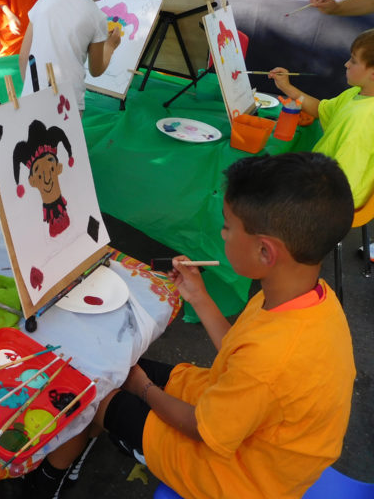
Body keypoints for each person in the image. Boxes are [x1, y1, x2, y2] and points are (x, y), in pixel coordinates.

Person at [25, 151, 356, 499]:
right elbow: (240, 349)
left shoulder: (271, 360)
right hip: (239, 416)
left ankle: (48, 480)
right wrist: (199, 296)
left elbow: (202, 428)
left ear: (265, 252)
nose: (222, 234)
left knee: (90, 390)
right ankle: (74, 452)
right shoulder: (306, 295)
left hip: (234, 476)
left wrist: (144, 389)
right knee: (108, 365)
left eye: (227, 227)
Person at [268, 28, 374, 208]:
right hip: (322, 178)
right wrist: (287, 87)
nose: (346, 64)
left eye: (354, 61)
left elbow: (345, 181)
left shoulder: (363, 119)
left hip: (329, 197)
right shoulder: (356, 93)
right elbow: (320, 109)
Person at [19, 0, 122, 112]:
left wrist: (31, 89)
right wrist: (111, 46)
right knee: (62, 141)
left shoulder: (45, 0)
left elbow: (23, 56)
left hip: (32, 97)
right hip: (67, 105)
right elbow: (96, 70)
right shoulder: (96, 16)